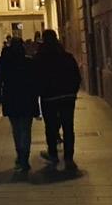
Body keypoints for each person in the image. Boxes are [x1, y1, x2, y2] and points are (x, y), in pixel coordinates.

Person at [33, 29, 82, 171]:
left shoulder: (40, 57)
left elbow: (35, 78)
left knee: (50, 126)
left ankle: (53, 154)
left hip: (49, 97)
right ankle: (68, 158)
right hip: (67, 97)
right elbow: (76, 76)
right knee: (68, 127)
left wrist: (39, 94)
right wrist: (72, 91)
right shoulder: (67, 56)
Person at [0, 39, 39, 171]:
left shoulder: (4, 63)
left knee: (17, 129)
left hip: (11, 99)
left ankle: (20, 155)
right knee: (25, 129)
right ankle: (24, 157)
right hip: (27, 99)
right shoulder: (29, 62)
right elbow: (35, 82)